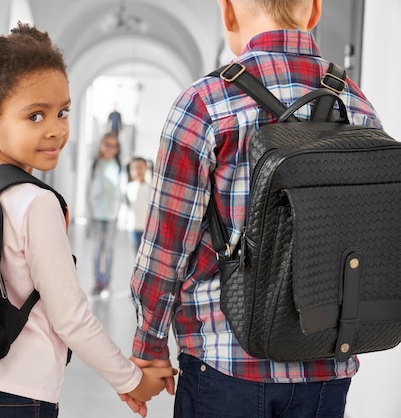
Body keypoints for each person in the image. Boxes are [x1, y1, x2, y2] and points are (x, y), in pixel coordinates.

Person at [129, 1, 383, 417]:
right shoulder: (356, 106)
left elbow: (167, 246)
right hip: (326, 364)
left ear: (227, 12)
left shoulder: (205, 103)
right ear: (315, 10)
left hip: (226, 361)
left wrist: (150, 343)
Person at [0, 15, 175, 418]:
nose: (56, 130)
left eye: (62, 112)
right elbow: (72, 318)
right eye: (35, 116)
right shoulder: (35, 202)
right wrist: (131, 381)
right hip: (13, 399)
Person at [87, 132, 123, 297]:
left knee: (108, 250)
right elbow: (88, 190)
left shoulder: (119, 166)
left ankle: (106, 282)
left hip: (112, 214)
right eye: (106, 144)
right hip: (96, 213)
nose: (110, 148)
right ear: (101, 145)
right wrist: (88, 213)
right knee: (96, 249)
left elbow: (121, 191)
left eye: (113, 145)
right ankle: (97, 282)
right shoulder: (95, 164)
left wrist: (121, 214)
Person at [125, 157, 151, 253]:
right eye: (135, 168)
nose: (138, 171)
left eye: (141, 167)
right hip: (134, 227)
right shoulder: (128, 187)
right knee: (137, 254)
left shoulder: (150, 188)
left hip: (147, 228)